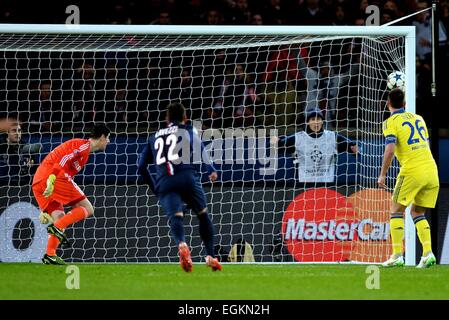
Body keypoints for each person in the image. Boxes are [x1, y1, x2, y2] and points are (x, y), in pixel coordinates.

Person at [138, 102, 222, 272]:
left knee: (176, 217)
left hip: (165, 182)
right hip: (187, 177)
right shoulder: (188, 130)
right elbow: (199, 146)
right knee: (203, 215)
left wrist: (156, 188)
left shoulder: (154, 136)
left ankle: (182, 244)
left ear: (166, 119)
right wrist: (211, 169)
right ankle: (211, 256)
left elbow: (140, 167)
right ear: (185, 118)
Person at [31, 123, 111, 265]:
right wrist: (53, 177)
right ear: (102, 137)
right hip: (52, 176)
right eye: (108, 138)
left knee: (59, 217)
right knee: (88, 208)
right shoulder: (84, 146)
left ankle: (50, 254)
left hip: (39, 180)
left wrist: (43, 209)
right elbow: (64, 158)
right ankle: (55, 228)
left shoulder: (84, 153)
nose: (109, 141)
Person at [378, 88, 438, 268]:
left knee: (396, 211)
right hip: (431, 170)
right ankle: (428, 253)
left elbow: (390, 149)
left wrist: (382, 174)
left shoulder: (390, 122)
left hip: (412, 170)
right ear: (405, 104)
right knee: (417, 212)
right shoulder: (419, 118)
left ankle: (397, 255)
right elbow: (426, 144)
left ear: (388, 104)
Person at [271, 108, 358, 183]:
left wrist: (355, 149)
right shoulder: (298, 138)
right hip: (304, 185)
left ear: (322, 121)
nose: (316, 122)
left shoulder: (332, 137)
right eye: (312, 119)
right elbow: (278, 147)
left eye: (318, 119)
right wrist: (275, 142)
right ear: (307, 122)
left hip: (326, 185)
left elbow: (352, 147)